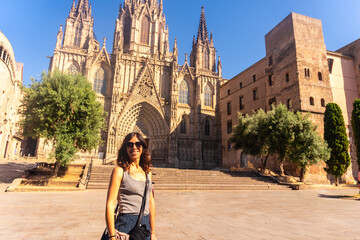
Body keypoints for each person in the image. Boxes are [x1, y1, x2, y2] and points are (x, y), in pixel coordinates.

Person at [105, 132, 157, 240]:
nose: (134, 147)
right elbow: (110, 204)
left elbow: (151, 202)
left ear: (142, 147)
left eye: (138, 144)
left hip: (144, 228)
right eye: (130, 145)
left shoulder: (147, 173)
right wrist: (112, 236)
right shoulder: (119, 171)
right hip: (125, 225)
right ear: (125, 148)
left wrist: (153, 233)